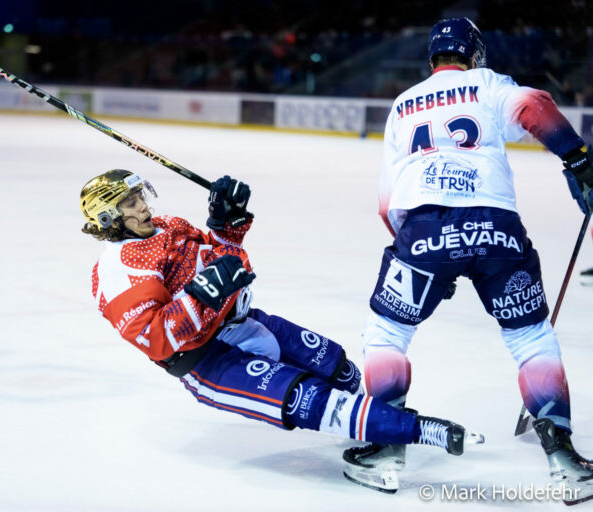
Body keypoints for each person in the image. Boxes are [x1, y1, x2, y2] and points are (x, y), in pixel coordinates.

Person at [81, 169, 482, 493]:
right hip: (208, 360)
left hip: (245, 320)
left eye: (140, 196)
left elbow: (229, 262)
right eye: (130, 203)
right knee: (308, 400)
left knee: (337, 367)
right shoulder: (117, 271)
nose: (143, 206)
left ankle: (369, 427)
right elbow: (157, 339)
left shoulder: (169, 225)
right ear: (108, 218)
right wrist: (200, 294)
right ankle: (421, 430)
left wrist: (225, 225)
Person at [350, 16, 593, 501]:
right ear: (474, 53)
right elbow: (534, 106)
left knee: (388, 332)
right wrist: (578, 157)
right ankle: (565, 459)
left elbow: (386, 200)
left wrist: (429, 259)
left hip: (423, 231)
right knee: (529, 336)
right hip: (497, 229)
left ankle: (386, 447)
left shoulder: (403, 104)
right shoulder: (487, 83)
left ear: (432, 59)